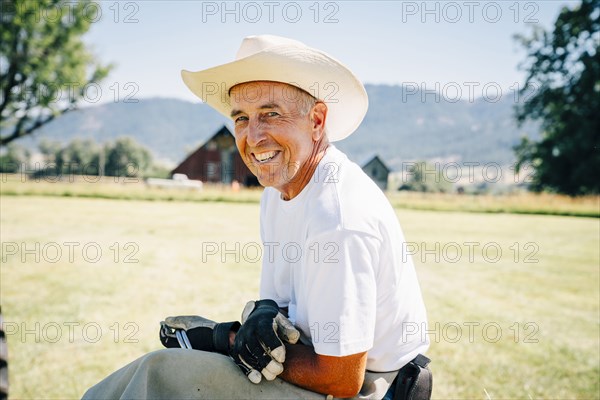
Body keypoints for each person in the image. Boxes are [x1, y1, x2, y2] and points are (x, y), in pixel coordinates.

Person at [82, 35, 430, 400]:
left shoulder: (338, 216)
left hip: (371, 390)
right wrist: (260, 317)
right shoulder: (277, 193)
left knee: (161, 374)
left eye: (270, 114)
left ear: (316, 120)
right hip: (321, 368)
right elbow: (279, 306)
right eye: (242, 118)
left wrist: (226, 340)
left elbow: (341, 378)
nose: (254, 136)